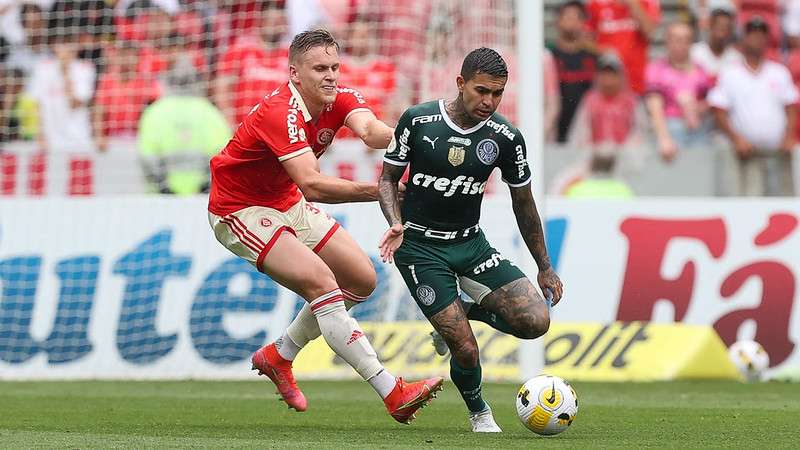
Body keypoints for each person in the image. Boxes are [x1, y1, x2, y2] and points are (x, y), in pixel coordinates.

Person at [207, 29, 442, 423]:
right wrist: (383, 190)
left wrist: (420, 139)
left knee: (361, 279)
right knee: (322, 283)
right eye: (320, 68)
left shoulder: (337, 97)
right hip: (240, 209)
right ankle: (391, 390)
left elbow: (371, 132)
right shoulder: (279, 112)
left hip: (285, 201)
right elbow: (313, 185)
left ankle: (279, 354)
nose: (331, 75)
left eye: (334, 66)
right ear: (295, 72)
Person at [376, 48, 563, 432]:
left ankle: (464, 309)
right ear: (460, 83)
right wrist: (396, 222)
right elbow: (387, 180)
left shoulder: (506, 137)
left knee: (535, 320)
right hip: (421, 248)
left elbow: (524, 204)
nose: (489, 101)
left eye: (498, 93)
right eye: (482, 91)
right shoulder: (419, 120)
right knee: (464, 347)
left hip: (470, 243)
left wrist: (545, 266)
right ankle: (480, 413)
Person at [708, 16, 798, 195]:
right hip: (746, 154)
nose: (757, 39)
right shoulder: (730, 73)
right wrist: (736, 139)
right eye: (752, 34)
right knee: (751, 200)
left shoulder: (779, 72)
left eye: (761, 35)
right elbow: (719, 111)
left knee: (781, 203)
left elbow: (791, 107)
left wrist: (789, 136)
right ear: (744, 39)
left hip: (777, 153)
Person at [138, 56, 227, 194]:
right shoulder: (210, 112)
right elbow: (223, 155)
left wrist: (164, 189)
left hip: (160, 201)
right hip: (202, 200)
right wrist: (205, 188)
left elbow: (147, 156)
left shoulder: (154, 112)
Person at [644, 21, 713, 162]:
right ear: (667, 42)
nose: (681, 45)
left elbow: (710, 101)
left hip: (697, 130)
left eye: (686, 40)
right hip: (670, 127)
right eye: (676, 40)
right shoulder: (656, 69)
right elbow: (654, 106)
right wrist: (664, 138)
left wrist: (697, 108)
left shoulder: (700, 70)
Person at [586, 0, 661, 95]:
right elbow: (584, 41)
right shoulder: (596, 3)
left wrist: (633, 4)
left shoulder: (647, 2)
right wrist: (602, 50)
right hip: (607, 82)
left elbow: (650, 33)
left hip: (636, 81)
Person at [549, 0, 597, 143]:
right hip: (553, 127)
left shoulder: (593, 57)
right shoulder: (548, 56)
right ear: (558, 21)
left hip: (584, 132)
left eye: (576, 18)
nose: (572, 22)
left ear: (583, 22)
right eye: (567, 17)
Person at [689, 7, 742, 82]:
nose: (721, 33)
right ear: (710, 26)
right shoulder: (694, 52)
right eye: (719, 26)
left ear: (730, 31)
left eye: (725, 28)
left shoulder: (736, 58)